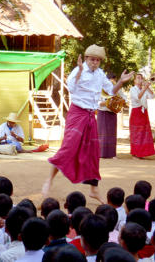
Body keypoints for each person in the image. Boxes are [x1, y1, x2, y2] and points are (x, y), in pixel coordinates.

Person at [42, 44, 134, 203]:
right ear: (86, 59)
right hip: (77, 113)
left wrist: (120, 81)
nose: (95, 62)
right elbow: (71, 88)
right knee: (68, 147)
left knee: (93, 152)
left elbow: (111, 91)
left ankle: (94, 189)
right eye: (92, 59)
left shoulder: (100, 74)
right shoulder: (78, 70)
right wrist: (78, 72)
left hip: (91, 115)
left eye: (98, 60)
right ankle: (49, 179)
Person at [97, 73, 127, 159]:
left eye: (114, 80)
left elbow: (124, 98)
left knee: (112, 134)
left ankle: (112, 154)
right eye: (111, 80)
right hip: (102, 112)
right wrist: (105, 103)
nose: (113, 81)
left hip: (112, 112)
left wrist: (120, 101)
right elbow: (96, 101)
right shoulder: (100, 88)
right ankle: (101, 154)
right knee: (102, 133)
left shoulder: (117, 89)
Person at [129, 72, 155, 159]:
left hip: (144, 112)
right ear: (134, 81)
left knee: (144, 133)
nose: (140, 79)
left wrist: (147, 87)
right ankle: (135, 153)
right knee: (137, 133)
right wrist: (145, 88)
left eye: (141, 78)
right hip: (136, 112)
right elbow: (138, 97)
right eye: (138, 78)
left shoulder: (144, 88)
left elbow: (152, 96)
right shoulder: (133, 89)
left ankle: (142, 153)